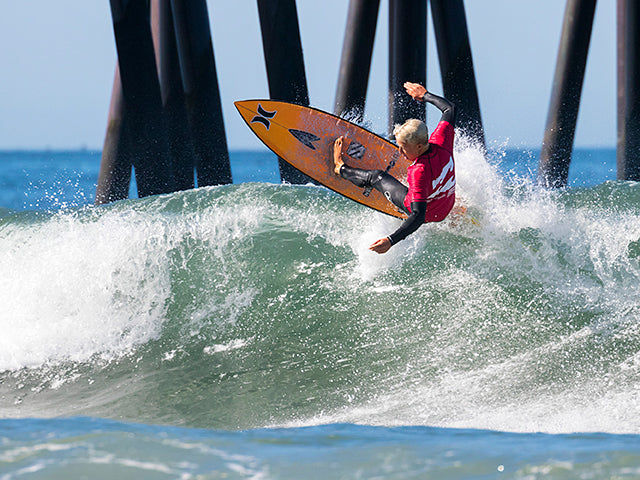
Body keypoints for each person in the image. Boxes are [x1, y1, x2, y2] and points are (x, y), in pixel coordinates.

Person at [333, 82, 456, 254]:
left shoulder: (419, 172)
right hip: (447, 205)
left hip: (431, 214)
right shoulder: (441, 140)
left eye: (404, 148)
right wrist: (425, 95)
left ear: (419, 146)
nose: (399, 152)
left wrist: (390, 241)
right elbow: (449, 109)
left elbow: (418, 215)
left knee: (376, 176)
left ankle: (340, 168)